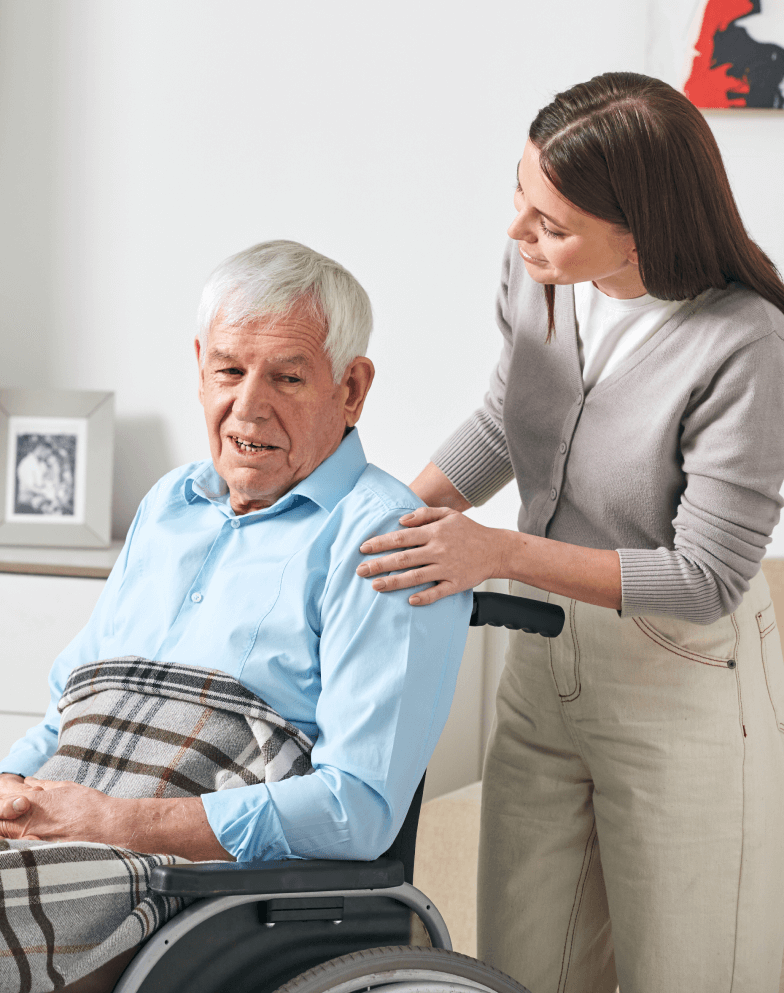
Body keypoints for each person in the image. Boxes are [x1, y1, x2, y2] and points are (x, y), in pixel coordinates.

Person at [356, 73, 784, 992]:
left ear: (641, 231)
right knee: (521, 969)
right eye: (519, 194)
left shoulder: (745, 342)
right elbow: (506, 420)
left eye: (551, 223)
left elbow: (705, 577)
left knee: (686, 975)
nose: (519, 231)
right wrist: (378, 523)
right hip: (543, 664)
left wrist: (497, 552)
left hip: (682, 679)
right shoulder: (539, 274)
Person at [0, 239, 471, 992]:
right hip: (57, 830)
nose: (248, 406)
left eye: (287, 376)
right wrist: (12, 785)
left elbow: (357, 808)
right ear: (200, 368)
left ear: (351, 389)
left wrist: (115, 823)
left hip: (171, 878)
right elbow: (66, 715)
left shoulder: (387, 541)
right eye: (229, 371)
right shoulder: (169, 504)